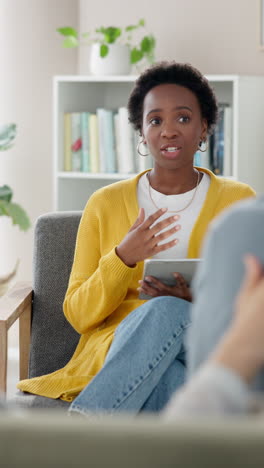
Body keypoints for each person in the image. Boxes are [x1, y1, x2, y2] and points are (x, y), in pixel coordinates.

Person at [17, 61, 255, 415]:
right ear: (142, 132)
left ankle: (87, 430)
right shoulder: (105, 203)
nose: (168, 131)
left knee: (170, 308)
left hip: (208, 342)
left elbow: (255, 302)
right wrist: (122, 258)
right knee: (170, 379)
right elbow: (79, 315)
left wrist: (198, 296)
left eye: (184, 118)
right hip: (124, 353)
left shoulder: (239, 202)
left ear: (204, 126)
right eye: (155, 120)